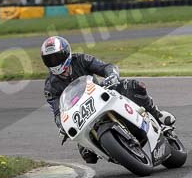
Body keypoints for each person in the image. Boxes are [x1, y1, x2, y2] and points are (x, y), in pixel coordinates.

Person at [41, 35, 175, 164]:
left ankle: (157, 115)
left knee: (136, 86)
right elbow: (58, 112)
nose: (54, 62)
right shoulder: (50, 86)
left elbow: (106, 67)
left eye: (56, 57)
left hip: (99, 95)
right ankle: (117, 151)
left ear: (66, 53)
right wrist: (61, 125)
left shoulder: (81, 59)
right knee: (88, 156)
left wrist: (111, 75)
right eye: (49, 60)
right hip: (81, 114)